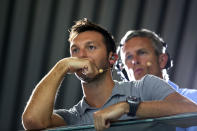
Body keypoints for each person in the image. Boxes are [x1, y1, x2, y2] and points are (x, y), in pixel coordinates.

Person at [22, 19, 197, 131]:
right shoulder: (74, 117)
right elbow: (32, 121)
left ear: (112, 58)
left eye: (91, 47)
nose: (81, 56)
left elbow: (193, 112)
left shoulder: (146, 86)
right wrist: (61, 66)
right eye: (75, 50)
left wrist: (129, 107)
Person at [117, 29, 197, 131]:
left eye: (142, 53)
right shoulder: (120, 118)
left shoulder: (194, 98)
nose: (135, 61)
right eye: (128, 57)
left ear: (162, 60)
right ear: (124, 71)